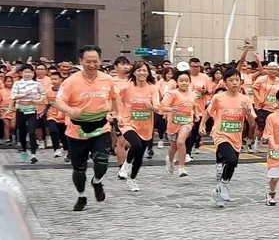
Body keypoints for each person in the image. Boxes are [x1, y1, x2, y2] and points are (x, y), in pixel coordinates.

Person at [54, 45, 122, 212]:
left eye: (95, 61)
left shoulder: (107, 79)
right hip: (77, 129)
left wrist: (117, 113)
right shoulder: (71, 81)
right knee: (79, 168)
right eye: (88, 62)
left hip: (101, 126)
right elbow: (59, 101)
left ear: (100, 60)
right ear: (81, 61)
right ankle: (82, 195)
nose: (92, 65)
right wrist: (70, 111)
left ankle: (97, 181)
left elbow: (114, 98)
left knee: (102, 162)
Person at [200, 67, 256, 207]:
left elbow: (252, 123)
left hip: (236, 136)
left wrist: (247, 111)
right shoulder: (219, 97)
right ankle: (224, 185)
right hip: (221, 134)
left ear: (241, 82)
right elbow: (208, 111)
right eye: (231, 80)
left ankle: (219, 190)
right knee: (230, 159)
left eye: (237, 80)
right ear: (225, 82)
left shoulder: (245, 99)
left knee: (233, 163)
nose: (235, 83)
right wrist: (202, 124)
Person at [116, 62, 160, 192]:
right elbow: (116, 101)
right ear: (134, 72)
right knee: (136, 145)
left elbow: (157, 107)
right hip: (128, 122)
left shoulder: (152, 88)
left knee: (140, 154)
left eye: (144, 71)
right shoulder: (126, 87)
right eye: (139, 70)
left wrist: (151, 107)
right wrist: (116, 114)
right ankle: (126, 165)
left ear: (148, 73)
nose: (142, 73)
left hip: (146, 125)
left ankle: (132, 179)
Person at [161, 70, 200, 177]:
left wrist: (196, 114)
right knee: (173, 147)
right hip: (173, 122)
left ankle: (182, 168)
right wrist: (170, 109)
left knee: (181, 142)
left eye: (186, 81)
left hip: (187, 122)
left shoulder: (193, 94)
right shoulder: (172, 93)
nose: (184, 83)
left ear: (190, 82)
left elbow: (194, 105)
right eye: (181, 81)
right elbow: (163, 106)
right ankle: (169, 159)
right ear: (177, 82)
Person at [10, 64, 46, 164]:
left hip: (32, 111)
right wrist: (24, 95)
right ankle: (24, 151)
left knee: (32, 132)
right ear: (21, 73)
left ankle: (33, 154)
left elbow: (43, 94)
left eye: (29, 72)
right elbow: (13, 96)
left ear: (33, 73)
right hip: (20, 110)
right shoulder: (17, 84)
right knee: (21, 132)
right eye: (25, 72)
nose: (27, 74)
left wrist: (39, 100)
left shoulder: (37, 84)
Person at [252, 62, 279, 153]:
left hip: (274, 108)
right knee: (261, 126)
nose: (273, 71)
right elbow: (254, 88)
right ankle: (257, 144)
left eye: (275, 69)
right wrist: (259, 99)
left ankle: (273, 145)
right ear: (267, 70)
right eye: (271, 69)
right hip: (262, 107)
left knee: (274, 127)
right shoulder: (261, 79)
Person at [45, 73, 69, 159]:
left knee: (64, 135)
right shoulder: (48, 91)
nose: (53, 81)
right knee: (53, 130)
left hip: (64, 116)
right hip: (52, 115)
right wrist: (42, 112)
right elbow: (47, 104)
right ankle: (56, 149)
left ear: (61, 80)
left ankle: (66, 150)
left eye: (55, 79)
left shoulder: (65, 91)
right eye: (52, 79)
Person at [0, 75, 15, 147]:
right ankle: (8, 139)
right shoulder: (1, 91)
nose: (9, 83)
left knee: (12, 126)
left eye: (11, 81)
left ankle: (11, 135)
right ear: (4, 82)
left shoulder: (15, 91)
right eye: (8, 81)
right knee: (6, 125)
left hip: (13, 110)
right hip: (3, 110)